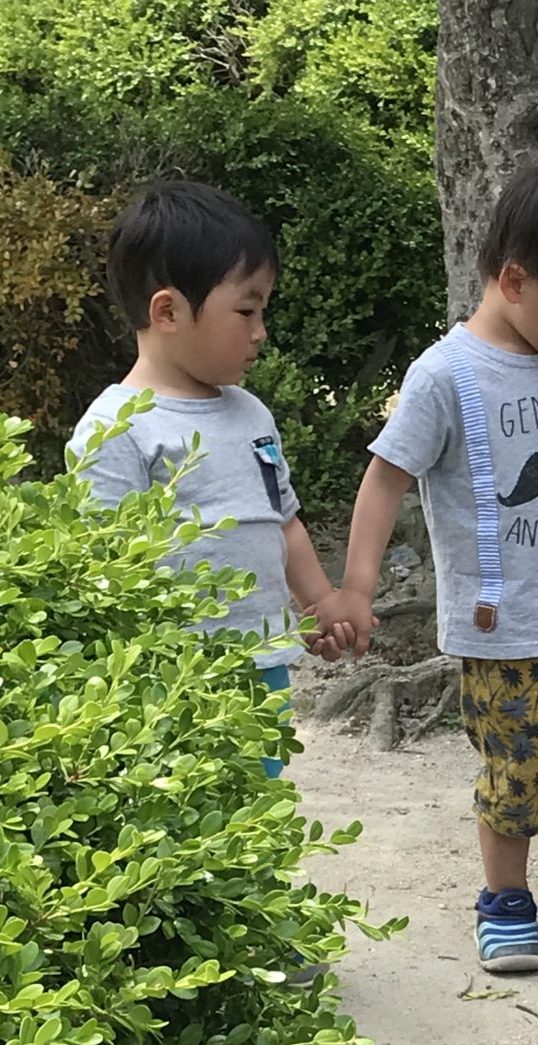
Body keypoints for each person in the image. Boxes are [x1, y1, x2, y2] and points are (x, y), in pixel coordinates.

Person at [313, 160, 538, 973]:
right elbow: (386, 477)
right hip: (508, 628)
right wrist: (355, 587)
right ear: (516, 281)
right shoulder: (446, 376)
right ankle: (505, 903)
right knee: (515, 768)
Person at [68, 180, 364, 778]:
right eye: (246, 311)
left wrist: (320, 602)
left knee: (258, 811)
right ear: (168, 312)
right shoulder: (117, 429)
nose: (260, 331)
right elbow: (100, 574)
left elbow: (281, 521)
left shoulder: (251, 414)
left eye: (263, 312)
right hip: (173, 683)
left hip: (263, 666)